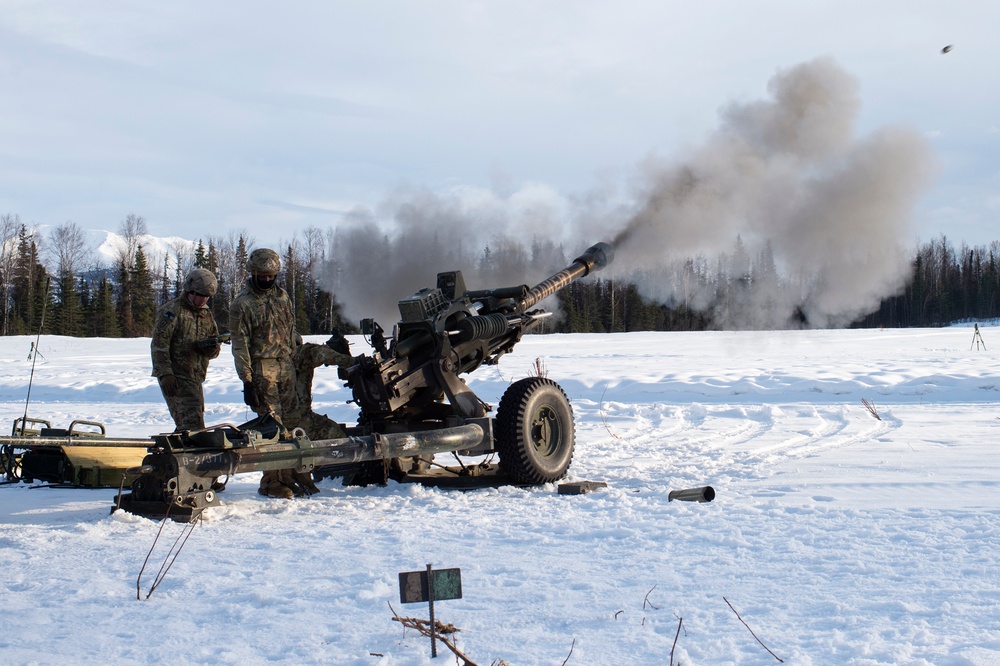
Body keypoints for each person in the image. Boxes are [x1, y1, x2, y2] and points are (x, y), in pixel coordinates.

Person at [230, 248, 300, 499]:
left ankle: (291, 477)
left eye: (272, 275)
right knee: (273, 428)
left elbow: (290, 330)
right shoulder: (243, 303)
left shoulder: (282, 297)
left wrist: (297, 351)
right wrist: (247, 381)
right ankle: (271, 482)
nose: (268, 280)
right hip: (262, 369)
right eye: (263, 275)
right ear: (254, 273)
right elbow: (240, 344)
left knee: (292, 424)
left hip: (286, 367)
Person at [150, 268, 221, 432]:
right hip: (176, 378)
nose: (203, 300)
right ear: (190, 290)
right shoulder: (172, 312)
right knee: (191, 426)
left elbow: (214, 349)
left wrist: (210, 348)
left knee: (192, 425)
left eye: (207, 297)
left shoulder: (206, 315)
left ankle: (178, 452)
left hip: (195, 378)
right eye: (200, 295)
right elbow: (159, 345)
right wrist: (165, 374)